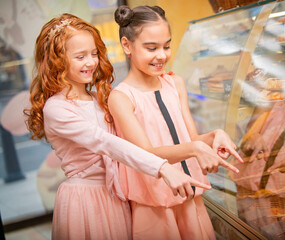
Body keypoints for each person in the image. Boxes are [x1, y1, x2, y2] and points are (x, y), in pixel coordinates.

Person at [24, 13, 210, 240]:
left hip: (118, 194)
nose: (91, 62)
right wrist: (163, 167)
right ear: (57, 61)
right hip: (86, 199)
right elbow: (106, 143)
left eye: (94, 54)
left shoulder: (99, 98)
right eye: (80, 56)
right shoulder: (57, 109)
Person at [109, 5, 243, 240]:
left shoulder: (175, 83)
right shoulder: (121, 98)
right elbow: (146, 154)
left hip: (191, 198)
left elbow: (192, 139)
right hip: (155, 204)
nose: (161, 55)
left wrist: (213, 136)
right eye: (151, 48)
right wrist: (194, 149)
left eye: (167, 46)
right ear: (127, 45)